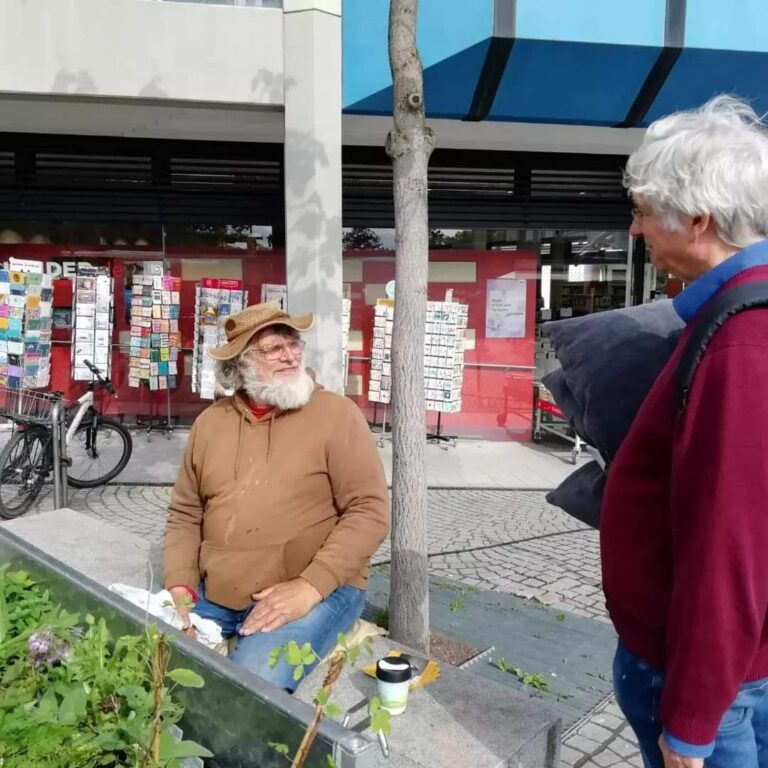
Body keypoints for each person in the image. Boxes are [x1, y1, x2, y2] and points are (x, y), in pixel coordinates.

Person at [601, 95, 768, 768]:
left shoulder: (743, 343)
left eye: (642, 212)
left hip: (709, 685)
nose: (637, 231)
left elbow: (731, 547)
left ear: (698, 220)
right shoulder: (734, 317)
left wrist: (693, 723)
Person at [163, 301, 390, 691]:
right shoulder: (210, 423)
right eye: (273, 348)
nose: (290, 355)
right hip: (214, 593)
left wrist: (309, 587)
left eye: (293, 343)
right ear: (240, 365)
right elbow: (186, 513)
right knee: (152, 656)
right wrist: (180, 585)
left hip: (320, 590)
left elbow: (369, 511)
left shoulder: (336, 415)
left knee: (251, 688)